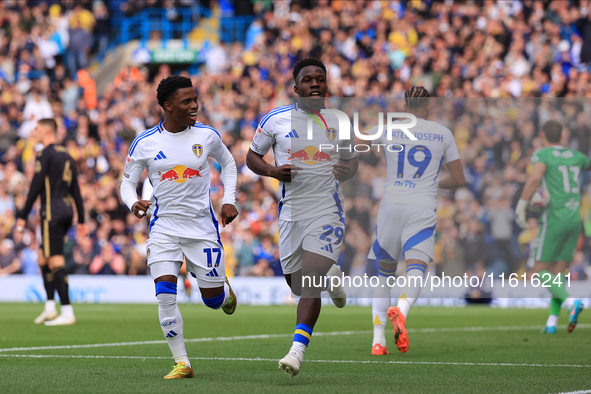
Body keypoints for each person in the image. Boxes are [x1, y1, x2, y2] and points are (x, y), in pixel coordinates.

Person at [119, 76, 239, 379]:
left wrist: (229, 199)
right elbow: (127, 183)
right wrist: (133, 203)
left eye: (195, 99)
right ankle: (182, 362)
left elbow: (229, 163)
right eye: (187, 101)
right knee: (165, 294)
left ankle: (223, 293)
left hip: (202, 229)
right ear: (168, 105)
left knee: (212, 302)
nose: (195, 105)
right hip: (164, 228)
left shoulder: (207, 136)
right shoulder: (145, 142)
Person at [246, 58, 358, 376]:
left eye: (320, 79)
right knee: (297, 283)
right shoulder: (275, 121)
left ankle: (296, 352)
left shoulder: (339, 121)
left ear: (326, 85)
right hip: (290, 214)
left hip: (327, 211)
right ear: (296, 89)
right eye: (307, 79)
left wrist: (347, 171)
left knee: (309, 280)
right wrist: (271, 170)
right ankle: (332, 274)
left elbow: (352, 164)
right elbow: (252, 157)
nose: (315, 84)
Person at [368, 87, 465, 355]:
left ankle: (378, 341)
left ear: (406, 105)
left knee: (384, 275)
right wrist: (435, 181)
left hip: (390, 206)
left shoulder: (389, 128)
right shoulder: (442, 133)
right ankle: (402, 310)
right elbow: (459, 179)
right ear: (429, 106)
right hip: (421, 206)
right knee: (416, 267)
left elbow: (354, 142)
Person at [515, 120, 587, 334]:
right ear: (562, 136)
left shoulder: (543, 154)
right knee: (556, 274)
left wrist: (522, 204)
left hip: (554, 218)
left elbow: (536, 176)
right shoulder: (577, 156)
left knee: (539, 270)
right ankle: (552, 322)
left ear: (543, 136)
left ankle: (571, 301)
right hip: (575, 218)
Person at [16, 118, 86, 326]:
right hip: (66, 212)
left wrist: (22, 214)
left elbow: (36, 186)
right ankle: (49, 307)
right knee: (42, 257)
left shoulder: (44, 154)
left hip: (51, 213)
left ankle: (66, 311)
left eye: (37, 129)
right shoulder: (67, 156)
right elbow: (76, 190)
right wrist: (81, 218)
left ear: (46, 131)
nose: (34, 132)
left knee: (55, 260)